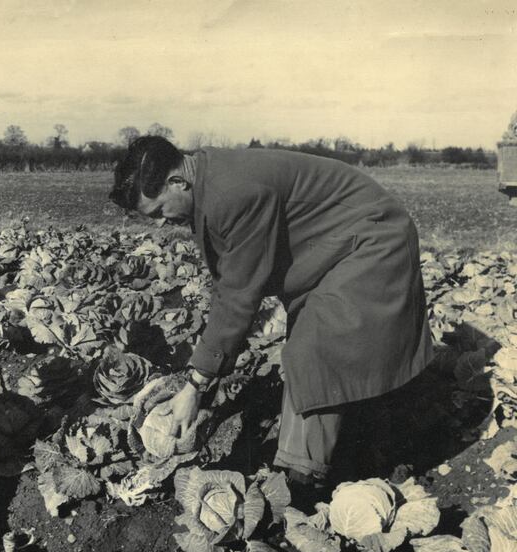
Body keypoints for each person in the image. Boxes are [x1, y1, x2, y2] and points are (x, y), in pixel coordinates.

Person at [109, 136, 433, 491]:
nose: (158, 224)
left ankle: (301, 480)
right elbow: (230, 279)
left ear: (177, 182)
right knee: (310, 346)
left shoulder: (233, 192)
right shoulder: (205, 175)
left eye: (158, 212)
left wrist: (196, 384)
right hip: (332, 247)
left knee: (314, 348)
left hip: (371, 240)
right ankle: (320, 449)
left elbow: (237, 296)